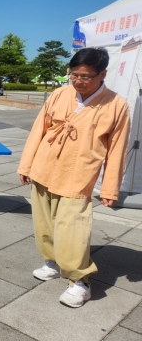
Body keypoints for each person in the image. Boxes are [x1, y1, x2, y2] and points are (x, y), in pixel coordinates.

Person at [18, 47, 130, 308]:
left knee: (73, 228)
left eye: (85, 76)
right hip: (44, 166)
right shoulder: (60, 94)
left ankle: (80, 281)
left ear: (102, 74)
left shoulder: (116, 105)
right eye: (74, 75)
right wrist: (27, 165)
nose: (78, 81)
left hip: (78, 174)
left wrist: (110, 188)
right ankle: (53, 262)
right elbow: (39, 129)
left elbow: (117, 150)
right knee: (44, 223)